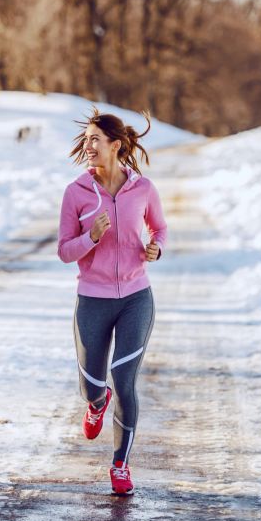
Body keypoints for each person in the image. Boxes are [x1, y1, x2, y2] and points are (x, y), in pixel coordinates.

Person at [57, 108, 168, 495]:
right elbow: (64, 250)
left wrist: (157, 248)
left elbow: (160, 227)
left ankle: (120, 464)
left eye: (95, 140)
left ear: (115, 146)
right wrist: (91, 238)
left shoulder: (143, 189)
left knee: (125, 380)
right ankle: (95, 401)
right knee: (93, 384)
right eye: (86, 140)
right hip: (93, 299)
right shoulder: (76, 192)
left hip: (136, 297)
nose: (88, 146)